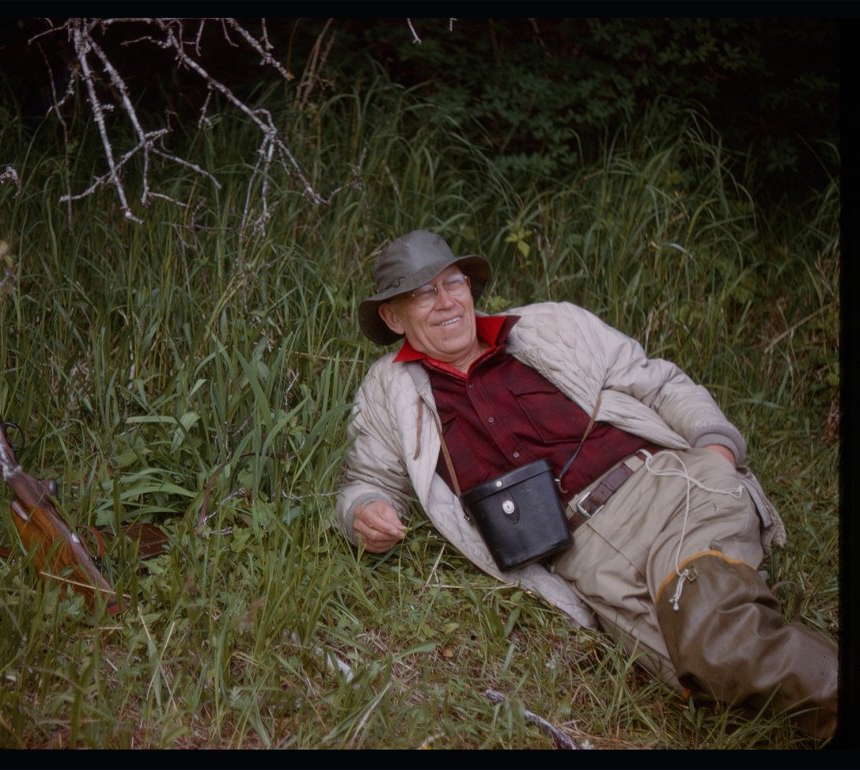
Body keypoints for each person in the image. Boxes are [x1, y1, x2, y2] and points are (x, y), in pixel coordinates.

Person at [335, 229, 838, 740]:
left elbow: (657, 381)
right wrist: (364, 511)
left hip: (664, 488)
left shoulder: (551, 325)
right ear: (393, 317)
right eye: (423, 293)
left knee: (717, 639)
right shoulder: (387, 392)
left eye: (453, 283)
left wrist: (714, 447)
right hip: (584, 558)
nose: (446, 302)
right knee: (698, 674)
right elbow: (366, 480)